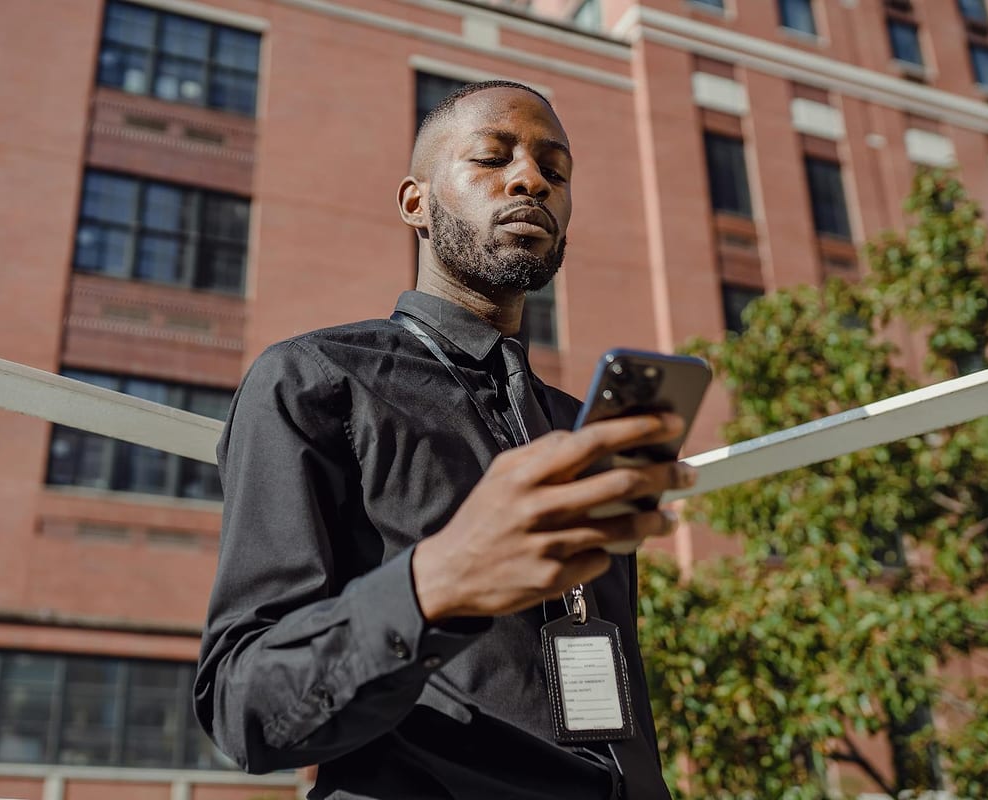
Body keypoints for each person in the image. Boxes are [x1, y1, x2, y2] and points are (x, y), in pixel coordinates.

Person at [193, 81, 698, 799]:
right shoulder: (314, 379)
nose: (531, 180)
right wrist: (435, 587)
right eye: (492, 159)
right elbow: (242, 707)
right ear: (415, 203)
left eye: (556, 173)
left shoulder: (577, 426)